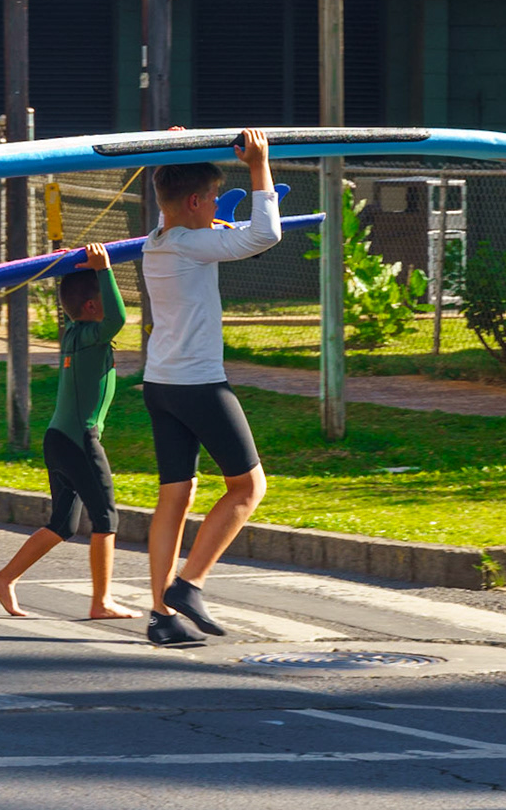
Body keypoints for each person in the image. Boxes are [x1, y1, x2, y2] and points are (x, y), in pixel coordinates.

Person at [141, 128, 281, 648]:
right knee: (248, 488)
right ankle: (188, 585)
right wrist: (259, 167)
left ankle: (160, 617)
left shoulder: (158, 239)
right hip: (199, 385)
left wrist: (180, 149)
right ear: (197, 201)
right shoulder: (194, 244)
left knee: (176, 496)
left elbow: (173, 205)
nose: (221, 206)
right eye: (216, 199)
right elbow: (264, 236)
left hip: (160, 384)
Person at [0, 243, 135, 620]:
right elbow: (118, 319)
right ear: (90, 307)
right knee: (106, 519)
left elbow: (93, 311)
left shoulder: (73, 333)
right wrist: (104, 270)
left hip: (58, 439)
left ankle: (4, 578)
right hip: (80, 440)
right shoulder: (90, 335)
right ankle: (101, 602)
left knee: (64, 523)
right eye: (103, 296)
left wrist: (65, 266)